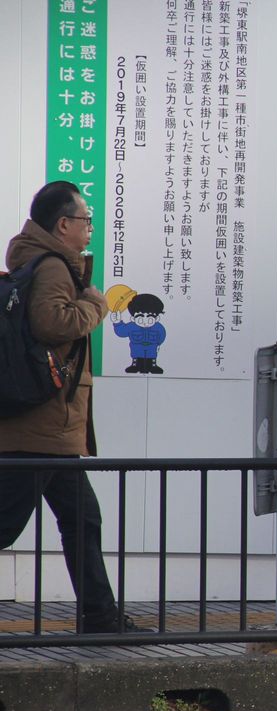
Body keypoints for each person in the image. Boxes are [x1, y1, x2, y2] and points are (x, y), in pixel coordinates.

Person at [0, 181, 150, 633]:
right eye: (85, 221)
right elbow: (53, 322)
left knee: (83, 519)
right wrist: (95, 301)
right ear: (63, 224)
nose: (90, 230)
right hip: (37, 432)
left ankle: (100, 616)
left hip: (50, 430)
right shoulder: (52, 268)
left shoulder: (39, 263)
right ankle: (100, 616)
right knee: (7, 526)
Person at [112, 292, 167, 374]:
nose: (145, 322)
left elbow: (162, 335)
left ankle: (152, 366)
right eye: (140, 318)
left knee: (151, 358)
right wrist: (117, 322)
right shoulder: (131, 326)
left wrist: (158, 343)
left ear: (157, 318)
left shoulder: (158, 327)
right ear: (133, 318)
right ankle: (135, 365)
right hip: (136, 350)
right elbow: (121, 332)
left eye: (150, 319)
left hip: (152, 349)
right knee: (137, 358)